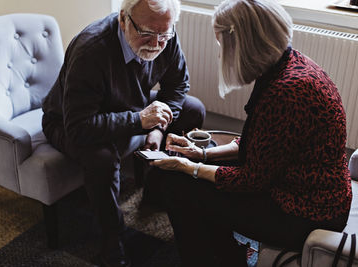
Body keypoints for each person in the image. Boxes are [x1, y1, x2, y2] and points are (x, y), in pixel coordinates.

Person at [143, 0, 353, 266]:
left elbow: (251, 180)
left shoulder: (286, 92)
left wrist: (189, 167)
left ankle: (209, 258)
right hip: (301, 186)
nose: (219, 54)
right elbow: (262, 144)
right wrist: (203, 154)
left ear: (243, 43)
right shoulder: (288, 64)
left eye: (221, 44)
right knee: (189, 174)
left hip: (305, 211)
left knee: (176, 185)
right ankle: (221, 248)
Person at [41, 0, 206, 266]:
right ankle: (111, 237)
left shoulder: (164, 33)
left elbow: (178, 84)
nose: (156, 43)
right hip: (67, 121)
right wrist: (140, 121)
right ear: (123, 19)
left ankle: (156, 186)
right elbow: (80, 127)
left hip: (128, 107)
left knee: (193, 109)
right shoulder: (91, 50)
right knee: (102, 158)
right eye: (147, 34)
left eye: (164, 35)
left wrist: (158, 126)